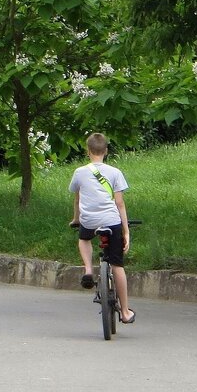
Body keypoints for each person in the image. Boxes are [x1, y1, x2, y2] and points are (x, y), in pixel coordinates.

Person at [69, 132, 134, 323]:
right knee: (117, 265)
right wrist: (126, 231)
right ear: (106, 151)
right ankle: (124, 312)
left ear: (88, 151)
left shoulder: (80, 172)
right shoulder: (115, 172)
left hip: (89, 220)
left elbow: (77, 198)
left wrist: (76, 219)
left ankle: (88, 269)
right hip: (111, 222)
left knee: (84, 238)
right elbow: (120, 203)